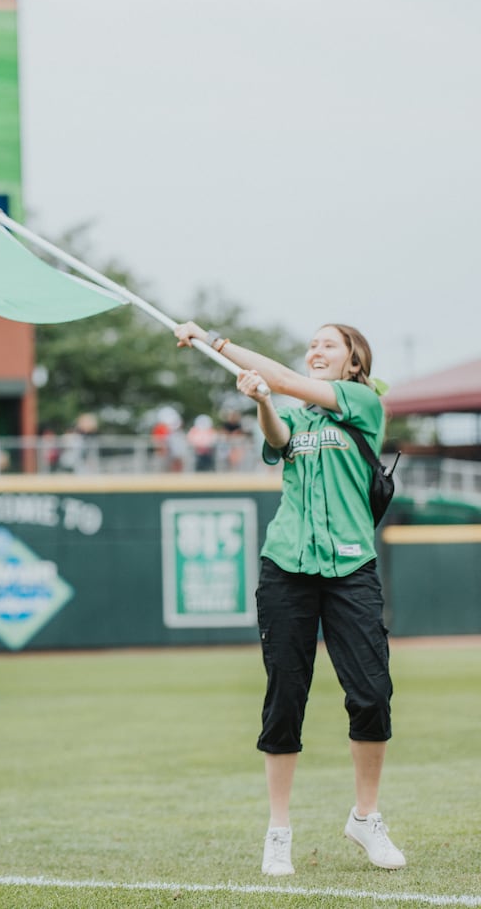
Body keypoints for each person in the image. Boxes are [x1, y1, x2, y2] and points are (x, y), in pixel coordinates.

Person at [172, 319, 405, 877]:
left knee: (371, 694)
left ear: (353, 363)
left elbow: (281, 376)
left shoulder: (362, 403)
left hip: (352, 566)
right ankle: (279, 831)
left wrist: (212, 341)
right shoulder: (297, 412)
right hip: (287, 567)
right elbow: (278, 444)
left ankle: (366, 818)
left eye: (329, 344)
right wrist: (261, 401)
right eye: (313, 344)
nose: (315, 350)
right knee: (285, 697)